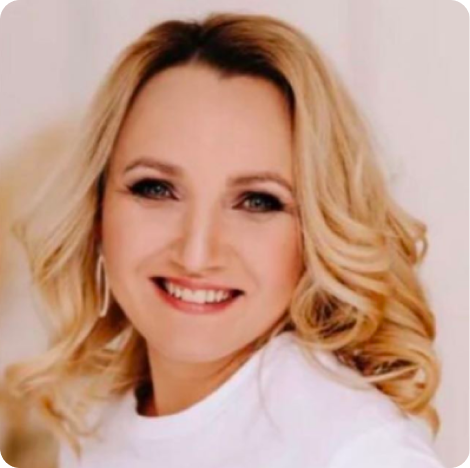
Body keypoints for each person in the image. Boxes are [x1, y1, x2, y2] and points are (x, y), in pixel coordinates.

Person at [4, 12, 446, 467]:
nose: (196, 254)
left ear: (316, 230)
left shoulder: (359, 451)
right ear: (97, 208)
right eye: (155, 189)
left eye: (257, 201)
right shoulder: (93, 421)